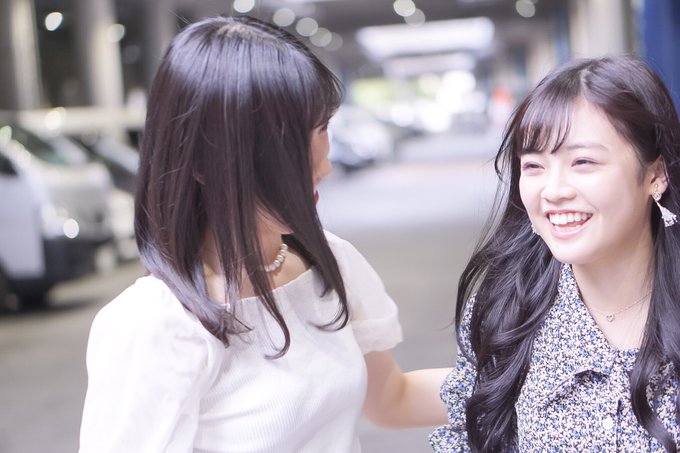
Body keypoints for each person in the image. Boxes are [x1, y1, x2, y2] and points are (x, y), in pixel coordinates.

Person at [79, 15, 449, 453]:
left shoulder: (327, 261)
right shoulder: (154, 324)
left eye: (322, 129)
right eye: (289, 145)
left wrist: (515, 379)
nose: (324, 164)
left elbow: (392, 398)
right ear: (204, 163)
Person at [430, 55, 680, 452]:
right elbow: (463, 436)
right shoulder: (507, 310)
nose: (554, 190)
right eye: (534, 166)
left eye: (582, 162)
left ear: (656, 174)